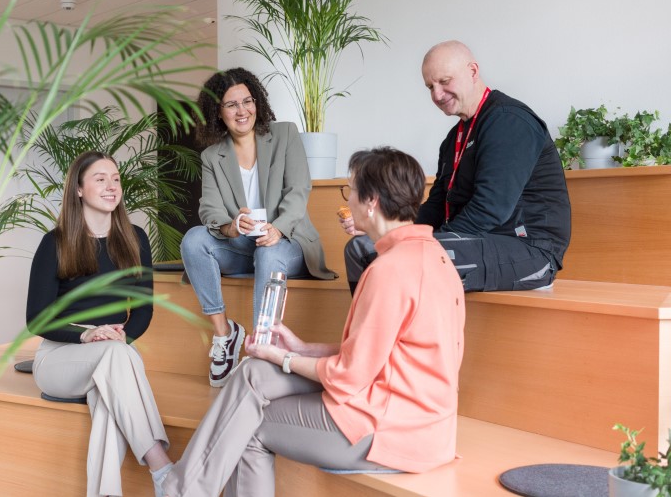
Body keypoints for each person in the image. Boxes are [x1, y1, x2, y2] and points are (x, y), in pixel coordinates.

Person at [161, 147, 466, 497]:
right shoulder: (434, 256)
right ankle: (181, 489)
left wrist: (285, 358)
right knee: (253, 372)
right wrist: (303, 348)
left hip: (393, 429)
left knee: (246, 426)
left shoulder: (390, 271)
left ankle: (179, 491)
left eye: (350, 189)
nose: (347, 198)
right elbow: (388, 352)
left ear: (371, 201)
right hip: (416, 417)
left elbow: (350, 375)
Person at [342, 40, 571, 294]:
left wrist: (422, 242)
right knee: (361, 248)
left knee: (405, 254)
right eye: (430, 87)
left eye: (444, 81)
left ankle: (391, 334)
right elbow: (436, 206)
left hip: (529, 251)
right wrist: (386, 227)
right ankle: (368, 333)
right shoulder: (453, 139)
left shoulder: (509, 121)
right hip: (472, 242)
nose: (437, 95)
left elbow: (491, 208)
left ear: (473, 72)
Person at [26, 151, 173, 497]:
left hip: (111, 352)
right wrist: (88, 334)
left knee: (109, 399)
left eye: (116, 178)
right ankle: (162, 468)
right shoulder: (56, 243)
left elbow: (142, 311)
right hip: (59, 357)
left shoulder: (135, 238)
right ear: (78, 189)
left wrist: (123, 337)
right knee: (117, 361)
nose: (112, 186)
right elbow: (36, 318)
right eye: (100, 178)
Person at [180, 67, 336, 387]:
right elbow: (209, 208)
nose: (242, 111)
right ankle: (225, 335)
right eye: (231, 105)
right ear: (218, 113)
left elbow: (298, 189)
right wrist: (231, 227)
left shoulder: (285, 134)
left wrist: (277, 229)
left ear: (257, 102)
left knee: (268, 252)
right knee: (194, 240)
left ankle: (260, 351)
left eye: (247, 101)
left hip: (287, 242)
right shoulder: (212, 156)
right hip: (241, 246)